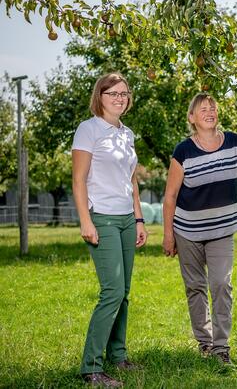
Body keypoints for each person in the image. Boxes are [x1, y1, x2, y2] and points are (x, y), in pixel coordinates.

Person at [162, 93, 237, 366]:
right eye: (202, 109)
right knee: (195, 286)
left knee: (221, 284)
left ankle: (221, 347)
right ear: (192, 118)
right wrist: (168, 235)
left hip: (222, 229)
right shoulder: (183, 151)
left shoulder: (235, 142)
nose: (209, 111)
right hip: (187, 229)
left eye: (212, 107)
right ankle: (205, 341)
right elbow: (170, 196)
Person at [72, 72, 148, 387]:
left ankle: (118, 356)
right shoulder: (88, 130)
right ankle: (91, 367)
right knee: (112, 292)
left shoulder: (127, 133)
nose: (119, 98)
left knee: (124, 294)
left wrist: (139, 218)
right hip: (100, 217)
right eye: (113, 93)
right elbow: (78, 180)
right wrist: (85, 221)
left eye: (124, 93)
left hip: (126, 219)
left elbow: (131, 180)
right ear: (100, 96)